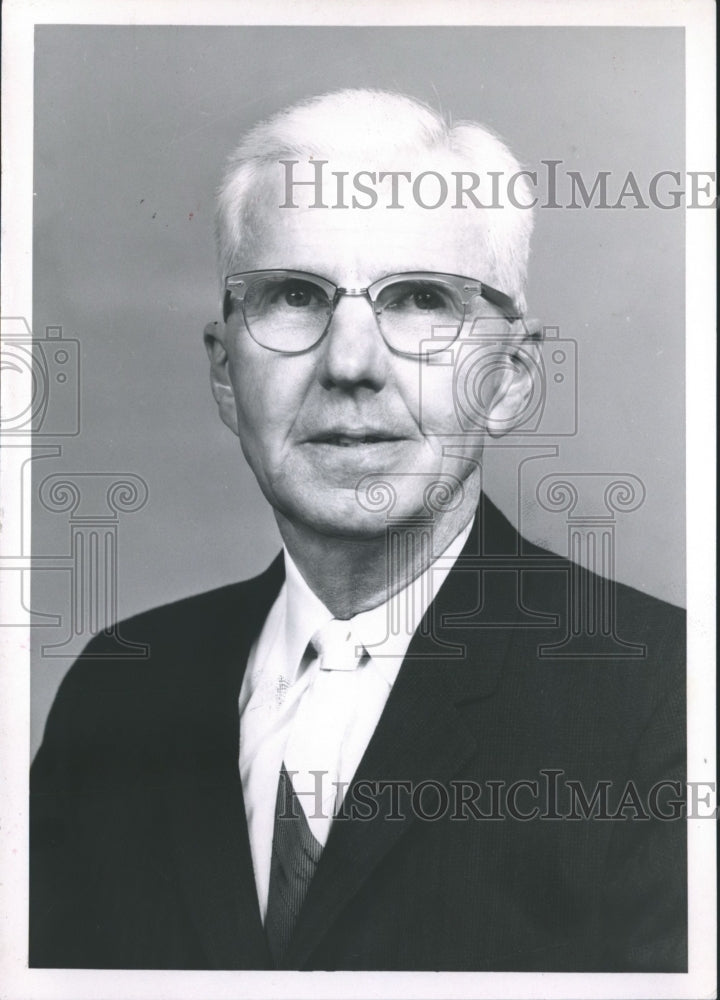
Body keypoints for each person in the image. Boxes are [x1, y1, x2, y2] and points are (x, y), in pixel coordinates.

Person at [30, 89, 686, 972]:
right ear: (226, 374)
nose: (349, 364)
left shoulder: (668, 703)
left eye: (419, 298)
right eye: (295, 295)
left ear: (510, 379)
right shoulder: (115, 695)